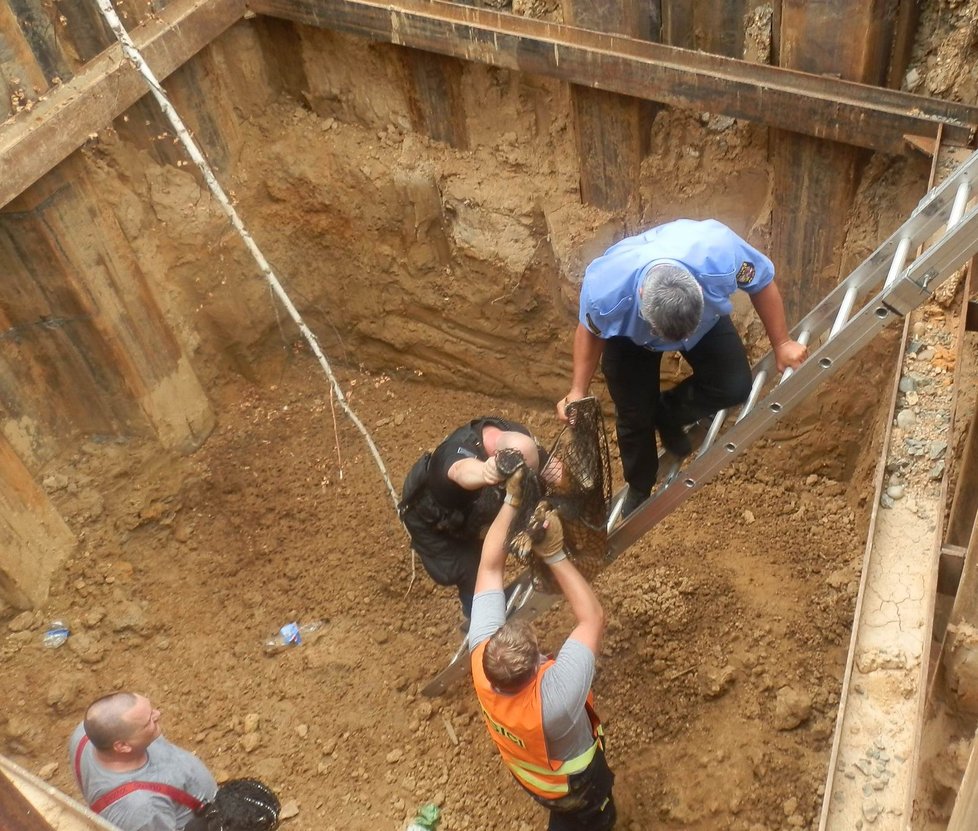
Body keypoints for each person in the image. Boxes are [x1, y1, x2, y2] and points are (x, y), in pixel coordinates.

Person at [557, 218, 808, 516]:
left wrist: (781, 343)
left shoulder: (719, 254)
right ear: (640, 300)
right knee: (635, 416)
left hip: (703, 321)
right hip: (631, 338)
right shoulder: (607, 292)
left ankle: (668, 413)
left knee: (734, 385)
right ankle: (639, 485)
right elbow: (590, 331)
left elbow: (761, 282)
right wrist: (577, 390)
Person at [469, 472, 615, 831]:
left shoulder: (479, 660)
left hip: (534, 780)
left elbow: (489, 568)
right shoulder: (556, 701)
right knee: (596, 818)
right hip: (578, 788)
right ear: (537, 665)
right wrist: (554, 554)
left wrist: (511, 502)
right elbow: (592, 618)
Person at [399, 417, 543, 621]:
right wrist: (486, 472)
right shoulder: (454, 452)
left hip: (473, 519)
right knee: (469, 572)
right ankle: (479, 619)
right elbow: (459, 470)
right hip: (436, 523)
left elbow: (550, 468)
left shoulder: (521, 443)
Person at [69, 692, 218, 831]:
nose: (158, 714)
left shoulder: (84, 732)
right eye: (148, 722)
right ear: (123, 746)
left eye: (151, 710)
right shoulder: (143, 810)